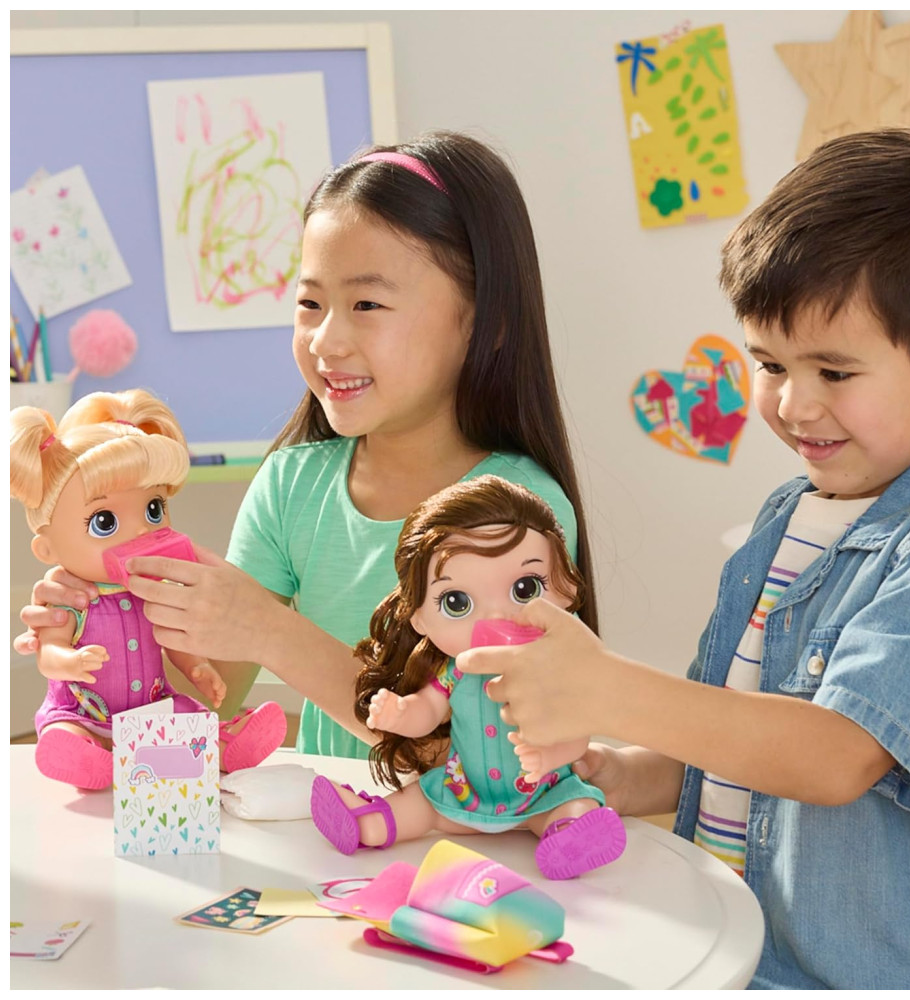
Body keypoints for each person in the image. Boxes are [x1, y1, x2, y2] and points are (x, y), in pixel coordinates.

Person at [457, 128, 910, 988]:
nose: (792, 404)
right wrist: (620, 774)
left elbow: (834, 756)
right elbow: (732, 735)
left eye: (835, 372)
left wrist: (610, 689)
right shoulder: (786, 519)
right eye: (770, 363)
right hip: (739, 952)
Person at [15, 131, 598, 764]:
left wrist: (272, 633)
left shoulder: (517, 510)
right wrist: (102, 611)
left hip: (465, 830)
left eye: (367, 303)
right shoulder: (291, 486)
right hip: (330, 826)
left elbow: (479, 761)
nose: (324, 340)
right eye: (310, 303)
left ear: (487, 321)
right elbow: (202, 703)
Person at [310, 475, 626, 880]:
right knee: (420, 802)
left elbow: (577, 732)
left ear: (563, 590)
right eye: (457, 602)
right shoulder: (452, 672)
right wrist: (399, 713)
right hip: (464, 794)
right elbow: (428, 712)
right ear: (419, 617)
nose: (495, 616)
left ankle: (570, 833)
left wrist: (550, 756)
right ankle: (368, 824)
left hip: (543, 793)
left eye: (525, 589)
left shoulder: (549, 669)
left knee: (576, 802)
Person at [9, 389, 286, 789]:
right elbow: (49, 653)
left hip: (150, 710)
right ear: (47, 549)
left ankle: (225, 747)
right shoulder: (70, 598)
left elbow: (173, 638)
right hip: (86, 712)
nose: (141, 530)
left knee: (188, 718)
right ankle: (81, 755)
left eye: (153, 509)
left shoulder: (151, 587)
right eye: (104, 521)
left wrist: (197, 667)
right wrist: (70, 661)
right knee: (67, 729)